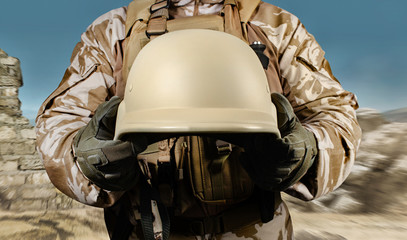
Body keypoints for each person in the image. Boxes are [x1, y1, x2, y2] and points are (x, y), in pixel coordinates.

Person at [35, 0, 361, 239]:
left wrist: (305, 154)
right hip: (146, 230)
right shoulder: (113, 32)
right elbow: (59, 128)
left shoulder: (276, 26)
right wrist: (94, 161)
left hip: (257, 230)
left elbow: (335, 115)